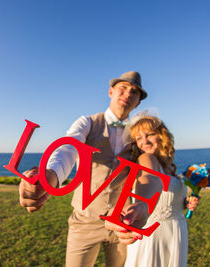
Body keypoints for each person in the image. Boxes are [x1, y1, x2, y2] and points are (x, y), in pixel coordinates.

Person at [19, 71, 162, 267]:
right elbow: (68, 149)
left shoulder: (139, 134)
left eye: (134, 92)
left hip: (123, 222)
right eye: (123, 88)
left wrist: (143, 204)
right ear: (111, 91)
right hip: (84, 222)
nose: (128, 94)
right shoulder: (87, 123)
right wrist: (51, 175)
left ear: (138, 102)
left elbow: (148, 170)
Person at [108, 115, 198, 267]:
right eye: (138, 138)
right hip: (154, 237)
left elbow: (169, 200)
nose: (145, 141)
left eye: (149, 134)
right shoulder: (146, 159)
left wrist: (186, 203)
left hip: (176, 232)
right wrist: (142, 204)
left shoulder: (169, 166)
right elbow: (149, 178)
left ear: (161, 135)